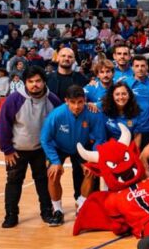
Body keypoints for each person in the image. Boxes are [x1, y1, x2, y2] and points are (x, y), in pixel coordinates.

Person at [0, 66, 59, 228]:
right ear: (25, 83)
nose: (34, 85)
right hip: (17, 151)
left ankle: (47, 212)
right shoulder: (14, 100)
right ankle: (11, 215)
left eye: (38, 81)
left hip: (42, 150)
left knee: (43, 182)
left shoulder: (53, 100)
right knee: (13, 182)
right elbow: (4, 125)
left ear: (44, 82)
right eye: (30, 81)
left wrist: (54, 151)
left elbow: (59, 126)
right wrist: (7, 150)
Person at [40, 85, 104, 226]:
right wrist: (55, 161)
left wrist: (93, 157)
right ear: (66, 101)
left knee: (91, 171)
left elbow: (100, 138)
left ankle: (81, 205)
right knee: (53, 174)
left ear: (85, 100)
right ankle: (57, 210)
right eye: (73, 102)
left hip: (81, 147)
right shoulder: (56, 114)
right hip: (59, 148)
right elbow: (45, 139)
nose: (76, 106)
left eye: (80, 102)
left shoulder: (93, 113)